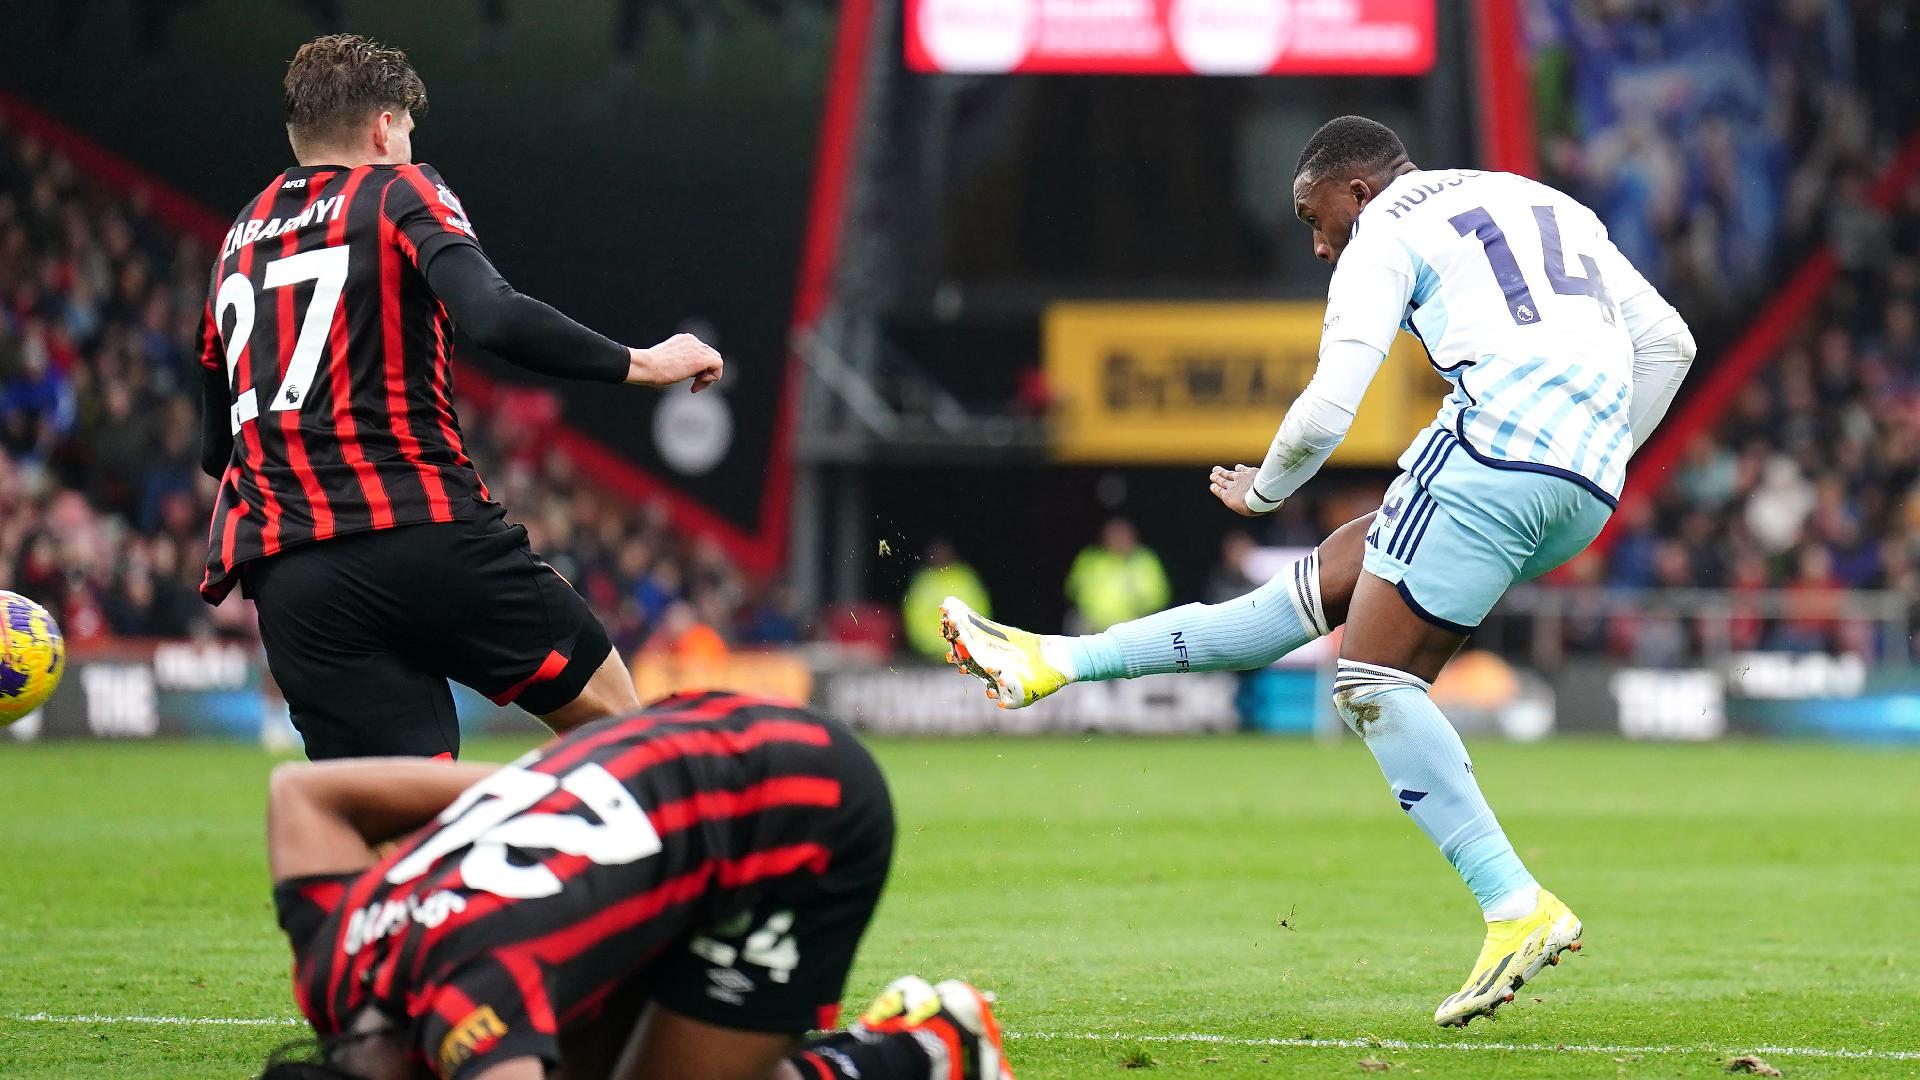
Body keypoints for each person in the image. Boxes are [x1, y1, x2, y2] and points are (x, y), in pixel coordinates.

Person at [940, 116, 1695, 1027]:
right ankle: (1053, 661)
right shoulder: (1540, 200)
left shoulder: (1387, 229)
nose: (1317, 241)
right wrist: (1598, 460)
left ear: (1358, 190)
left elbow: (1328, 407)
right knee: (1308, 593)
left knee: (1371, 678)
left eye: (1315, 215)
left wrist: (1263, 491)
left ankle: (1515, 905)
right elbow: (1673, 346)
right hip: (1582, 480)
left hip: (1495, 449)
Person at [196, 35, 724, 760]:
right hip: (422, 533)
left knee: (405, 827)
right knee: (619, 737)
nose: (410, 145)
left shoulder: (237, 240)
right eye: (407, 130)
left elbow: (213, 447)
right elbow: (495, 316)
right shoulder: (398, 189)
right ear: (384, 127)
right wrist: (642, 363)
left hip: (293, 578)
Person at [259, 689, 1013, 1080]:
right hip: (679, 735)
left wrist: (557, 791)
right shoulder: (332, 952)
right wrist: (551, 786)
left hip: (798, 805)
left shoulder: (472, 1006)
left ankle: (926, 1051)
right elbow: (297, 792)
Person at [1061, 518, 1170, 633]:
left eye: (1122, 535)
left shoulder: (1144, 560)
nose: (1118, 540)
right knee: (1075, 620)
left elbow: (1158, 596)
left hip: (1132, 621)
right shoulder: (1090, 558)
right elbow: (1073, 590)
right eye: (1113, 535)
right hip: (1093, 622)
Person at [901, 539, 989, 662]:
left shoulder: (965, 578)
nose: (940, 556)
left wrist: (970, 640)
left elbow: (980, 609)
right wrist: (929, 645)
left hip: (964, 651)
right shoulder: (923, 581)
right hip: (929, 655)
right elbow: (913, 615)